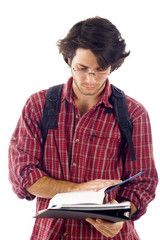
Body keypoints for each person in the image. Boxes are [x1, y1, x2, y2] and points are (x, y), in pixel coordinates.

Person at [8, 16, 158, 240]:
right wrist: (78, 189)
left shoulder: (134, 113)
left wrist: (122, 215)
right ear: (68, 60)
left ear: (113, 66)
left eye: (101, 69)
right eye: (82, 68)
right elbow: (23, 174)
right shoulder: (38, 105)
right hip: (51, 234)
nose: (90, 79)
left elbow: (143, 184)